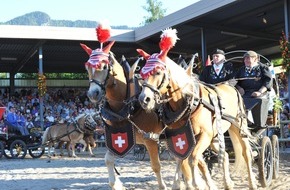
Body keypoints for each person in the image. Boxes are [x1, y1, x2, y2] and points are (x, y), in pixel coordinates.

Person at [235, 50, 273, 127]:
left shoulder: (263, 68)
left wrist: (260, 91)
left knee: (258, 100)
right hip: (245, 93)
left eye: (248, 58)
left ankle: (257, 124)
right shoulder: (241, 70)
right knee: (235, 100)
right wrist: (239, 88)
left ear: (255, 59)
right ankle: (241, 122)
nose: (245, 60)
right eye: (245, 59)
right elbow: (235, 81)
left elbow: (268, 81)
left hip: (260, 93)